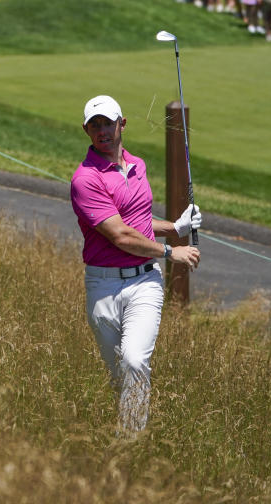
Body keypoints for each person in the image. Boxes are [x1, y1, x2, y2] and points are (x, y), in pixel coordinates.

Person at [71, 95, 202, 433]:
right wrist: (172, 251)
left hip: (144, 282)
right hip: (103, 287)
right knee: (122, 378)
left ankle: (129, 446)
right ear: (86, 130)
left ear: (122, 124)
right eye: (94, 124)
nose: (102, 130)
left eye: (108, 122)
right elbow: (121, 236)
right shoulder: (85, 179)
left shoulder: (138, 166)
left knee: (133, 361)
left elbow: (137, 221)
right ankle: (130, 437)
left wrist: (175, 227)